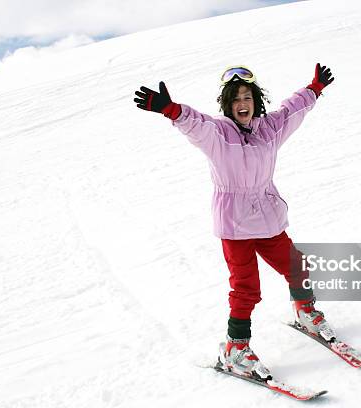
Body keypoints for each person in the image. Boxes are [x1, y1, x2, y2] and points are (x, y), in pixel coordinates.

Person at [134, 63, 336, 380]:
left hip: (268, 218)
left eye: (247, 97)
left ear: (256, 100)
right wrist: (171, 110)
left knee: (297, 265)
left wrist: (314, 89)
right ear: (228, 105)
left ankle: (306, 312)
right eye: (235, 99)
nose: (242, 104)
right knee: (246, 289)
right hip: (235, 226)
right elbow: (196, 124)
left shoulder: (269, 129)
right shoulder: (218, 133)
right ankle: (235, 350)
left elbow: (291, 111)